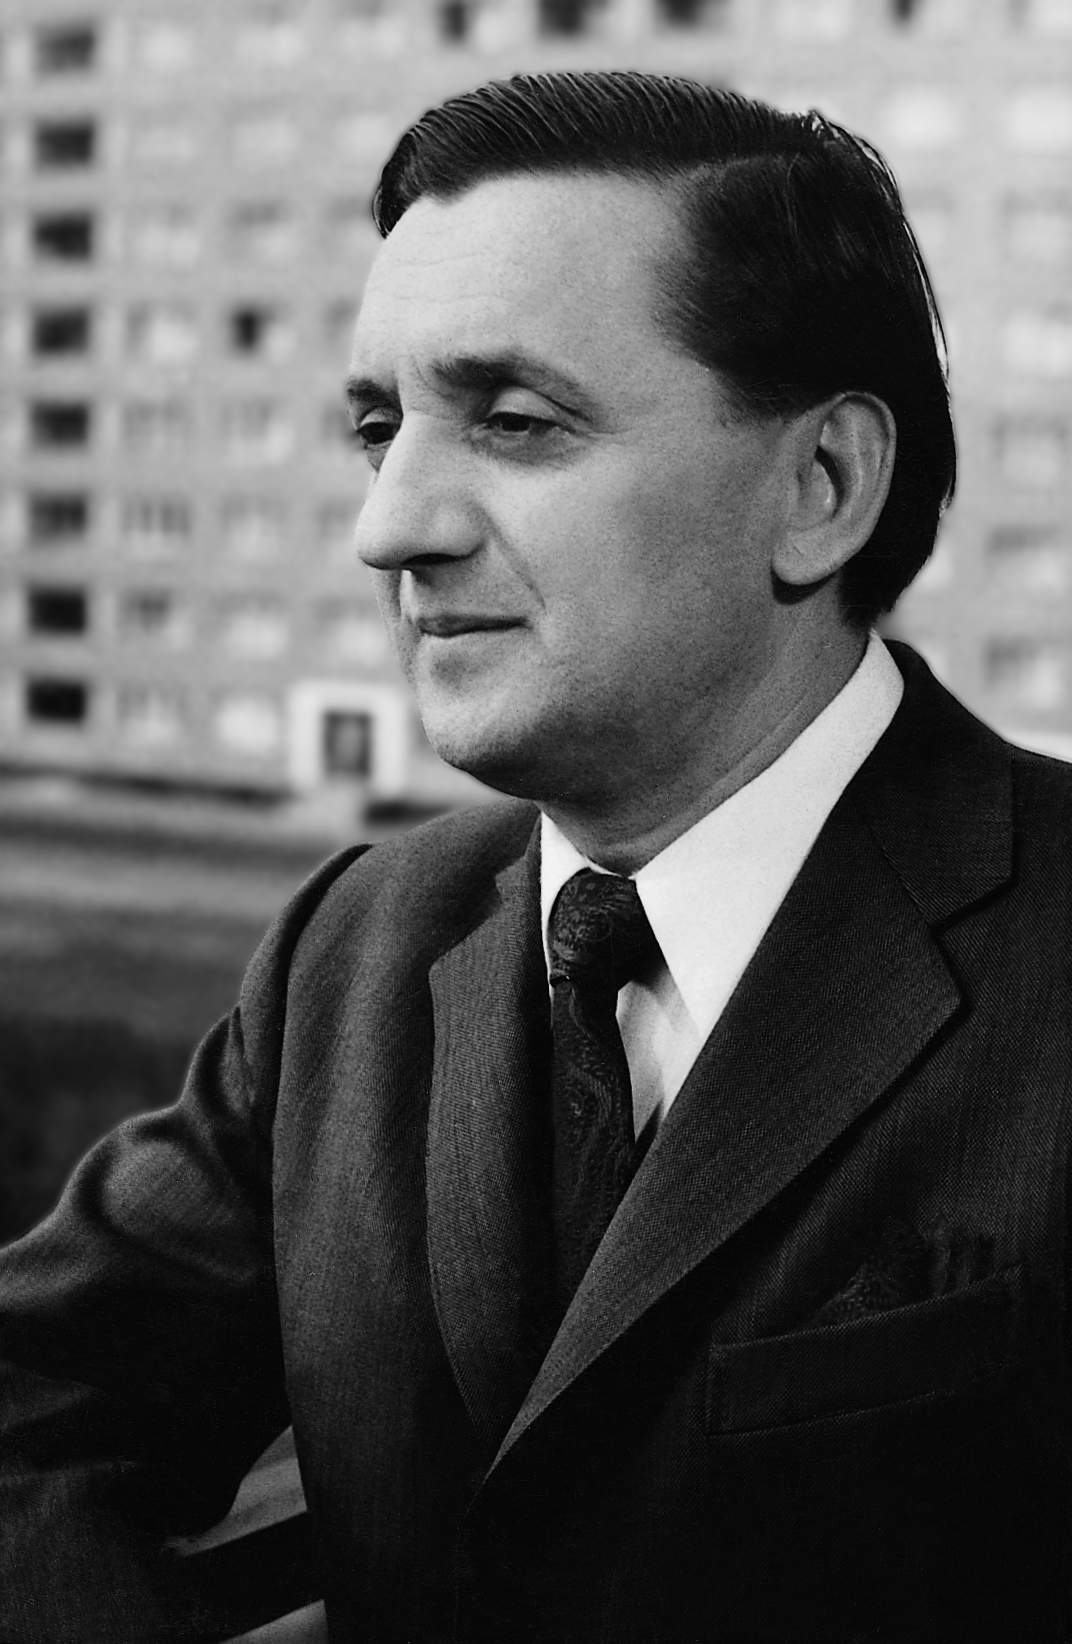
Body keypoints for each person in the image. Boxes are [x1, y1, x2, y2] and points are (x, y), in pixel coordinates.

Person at [2, 69, 1070, 1643]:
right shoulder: (357, 943)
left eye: (514, 422)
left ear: (823, 487)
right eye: (380, 429)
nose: (389, 526)